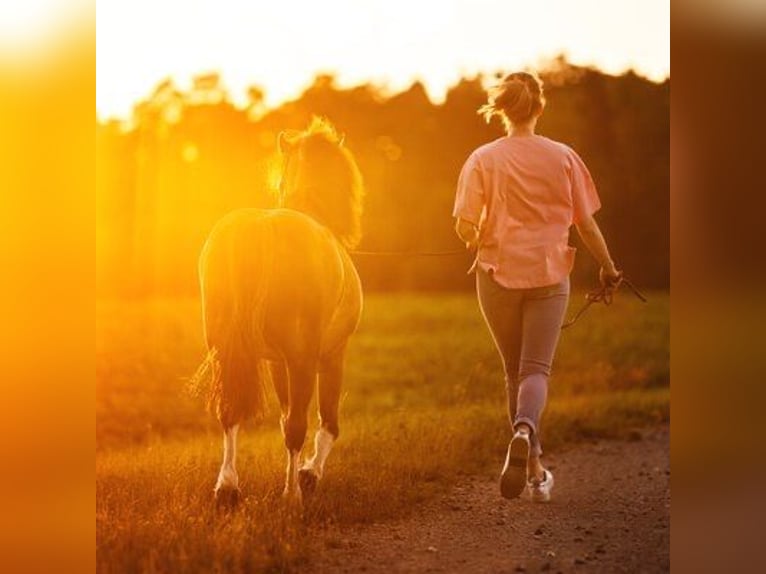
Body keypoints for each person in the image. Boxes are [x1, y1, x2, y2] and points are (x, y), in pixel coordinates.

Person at [453, 71, 621, 502]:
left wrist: (476, 237)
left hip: (496, 274)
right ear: (539, 107)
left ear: (503, 110)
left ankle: (532, 464)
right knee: (535, 371)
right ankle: (527, 439)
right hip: (549, 275)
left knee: (514, 371)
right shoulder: (564, 156)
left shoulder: (482, 158)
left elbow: (464, 226)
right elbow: (586, 224)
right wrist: (609, 268)